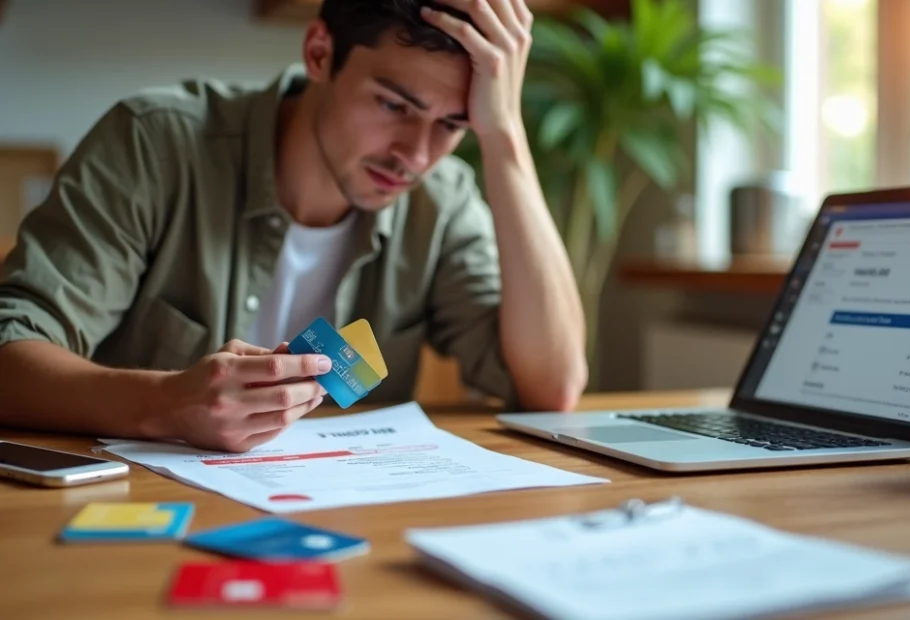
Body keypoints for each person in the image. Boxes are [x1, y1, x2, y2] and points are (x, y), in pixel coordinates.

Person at [0, 0, 587, 452]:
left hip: (347, 523)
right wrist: (166, 404)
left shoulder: (444, 201)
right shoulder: (155, 144)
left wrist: (504, 135)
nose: (415, 154)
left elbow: (552, 389)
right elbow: (10, 358)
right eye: (393, 105)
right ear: (318, 53)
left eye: (453, 125)